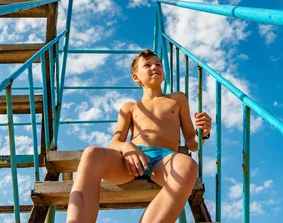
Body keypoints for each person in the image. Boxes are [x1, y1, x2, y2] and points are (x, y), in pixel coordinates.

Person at [66, 49, 213, 223]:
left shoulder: (177, 99)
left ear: (164, 74)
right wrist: (127, 147)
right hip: (131, 158)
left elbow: (192, 143)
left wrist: (202, 133)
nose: (154, 67)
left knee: (188, 165)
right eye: (147, 65)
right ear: (136, 77)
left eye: (158, 64)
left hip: (164, 159)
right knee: (91, 154)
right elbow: (115, 141)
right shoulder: (130, 107)